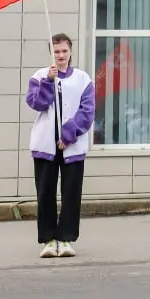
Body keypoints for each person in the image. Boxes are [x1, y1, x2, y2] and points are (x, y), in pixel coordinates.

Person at [25, 33, 95, 260]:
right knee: (45, 193)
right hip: (45, 145)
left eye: (64, 51)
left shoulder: (83, 79)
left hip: (71, 146)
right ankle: (48, 239)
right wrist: (48, 81)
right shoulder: (39, 76)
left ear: (71, 51)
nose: (61, 55)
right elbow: (37, 103)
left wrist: (68, 134)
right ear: (51, 53)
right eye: (56, 51)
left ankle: (66, 239)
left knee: (71, 193)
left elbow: (87, 112)